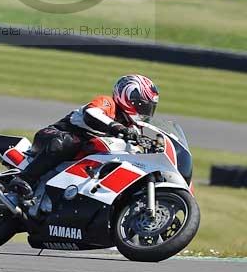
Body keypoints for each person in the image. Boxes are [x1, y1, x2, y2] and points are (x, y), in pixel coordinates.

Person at [9, 74, 159, 199]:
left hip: (81, 154)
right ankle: (24, 179)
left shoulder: (132, 126)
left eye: (148, 108)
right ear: (128, 98)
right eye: (142, 105)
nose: (145, 112)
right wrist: (117, 128)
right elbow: (92, 114)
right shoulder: (108, 103)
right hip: (54, 135)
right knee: (69, 142)